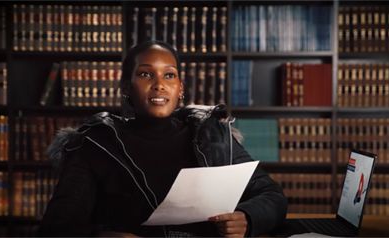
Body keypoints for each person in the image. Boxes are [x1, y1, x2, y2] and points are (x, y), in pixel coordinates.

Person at [38, 40, 288, 237]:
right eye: (146, 75)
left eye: (169, 75)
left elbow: (272, 195)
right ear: (126, 87)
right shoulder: (95, 144)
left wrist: (247, 217)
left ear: (180, 88)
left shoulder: (213, 135)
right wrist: (101, 236)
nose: (159, 85)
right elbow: (57, 228)